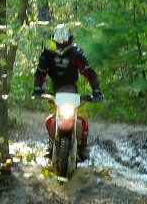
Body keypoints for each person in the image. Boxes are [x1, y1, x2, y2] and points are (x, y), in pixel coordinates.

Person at [33, 23, 103, 161]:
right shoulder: (47, 54)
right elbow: (40, 73)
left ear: (69, 40)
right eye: (58, 43)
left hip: (71, 89)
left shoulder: (76, 53)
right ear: (54, 41)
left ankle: (82, 146)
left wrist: (96, 91)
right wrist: (37, 89)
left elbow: (89, 72)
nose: (61, 46)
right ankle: (52, 144)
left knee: (81, 119)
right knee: (52, 118)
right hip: (55, 91)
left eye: (64, 42)